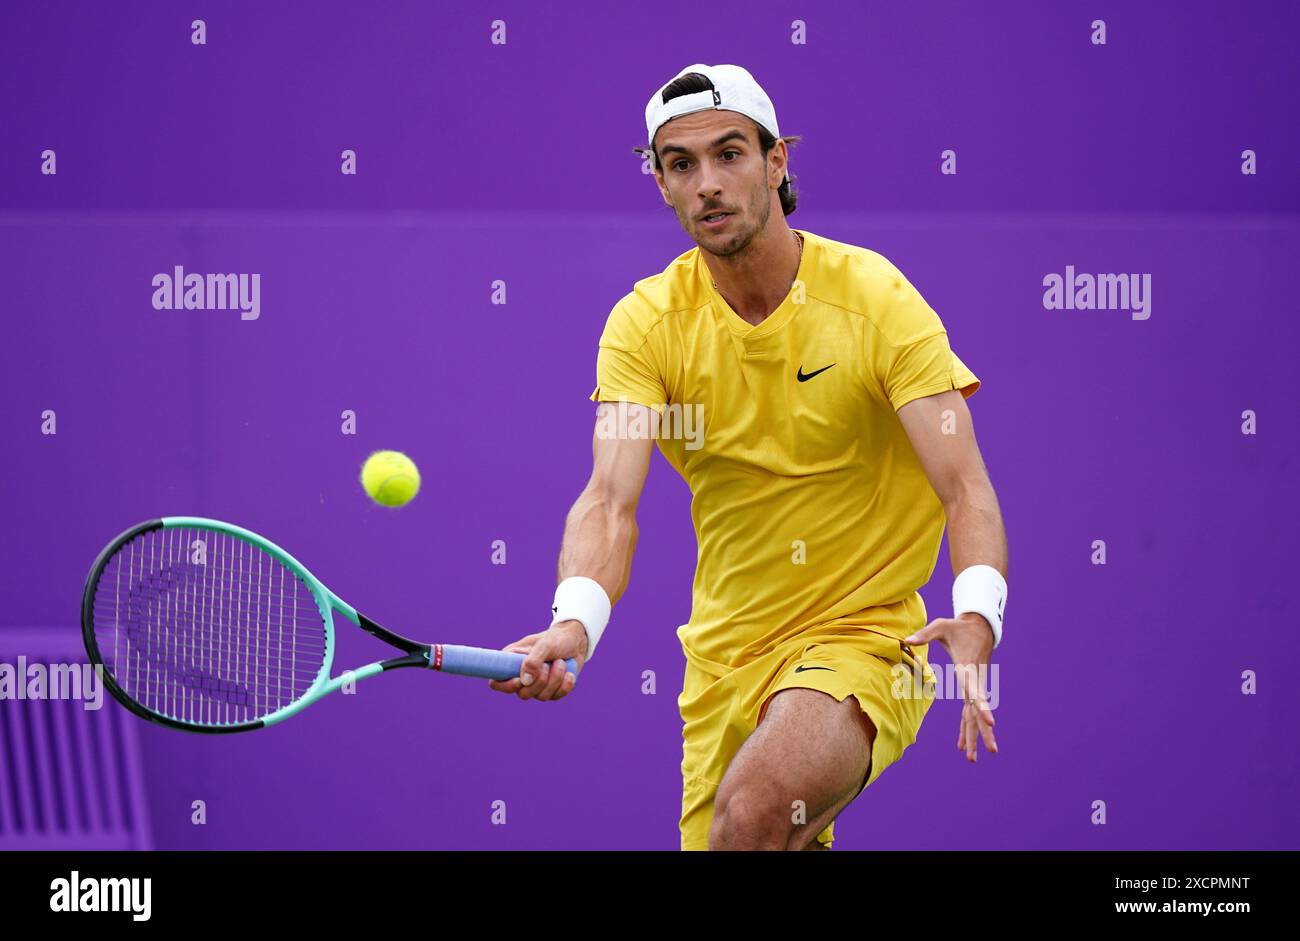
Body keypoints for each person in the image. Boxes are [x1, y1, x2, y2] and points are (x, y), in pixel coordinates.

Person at [489, 63, 1009, 851]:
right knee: (751, 830)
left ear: (777, 162)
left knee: (756, 811)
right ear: (662, 185)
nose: (707, 183)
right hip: (723, 664)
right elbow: (609, 500)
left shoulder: (875, 300)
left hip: (864, 638)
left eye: (730, 154)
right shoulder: (645, 325)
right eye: (680, 164)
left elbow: (964, 486)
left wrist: (977, 614)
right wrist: (575, 621)